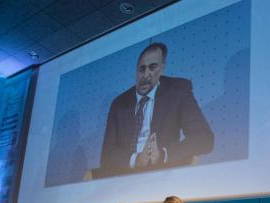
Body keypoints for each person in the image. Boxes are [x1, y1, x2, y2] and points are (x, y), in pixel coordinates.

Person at [90, 42, 214, 178]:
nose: (146, 75)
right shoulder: (119, 103)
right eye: (141, 69)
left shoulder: (178, 91)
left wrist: (163, 154)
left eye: (152, 68)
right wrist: (136, 160)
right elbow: (107, 154)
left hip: (161, 172)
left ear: (162, 69)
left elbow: (204, 138)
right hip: (125, 173)